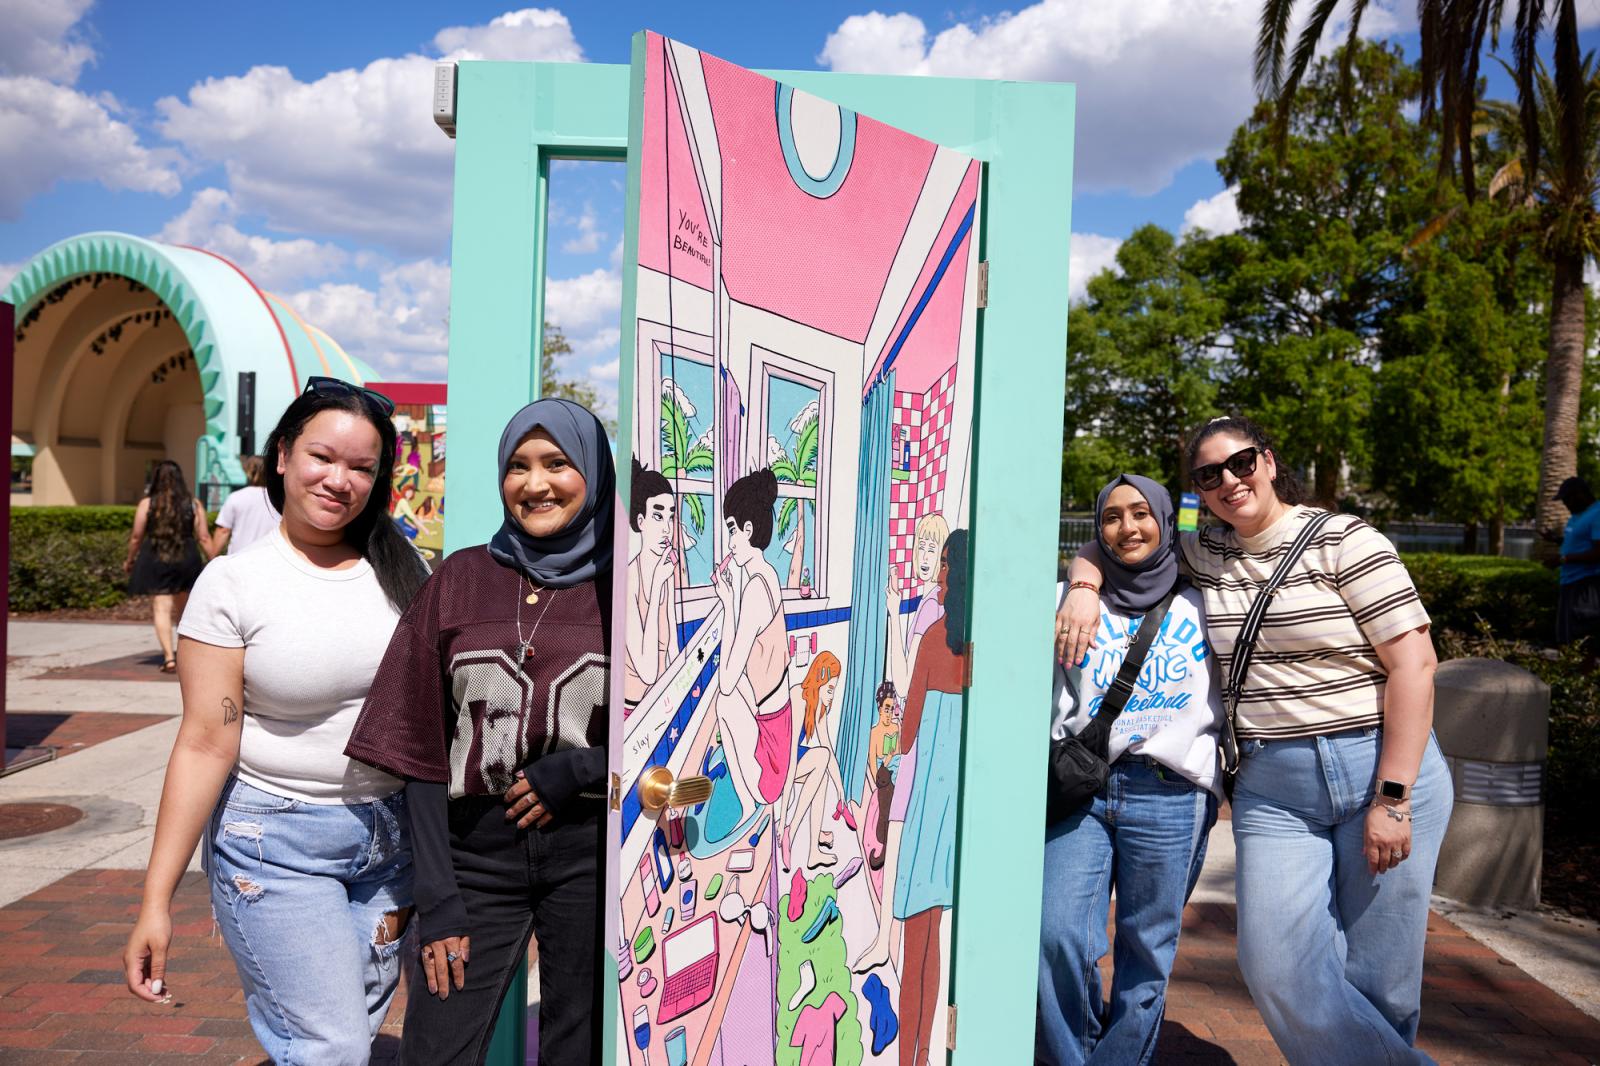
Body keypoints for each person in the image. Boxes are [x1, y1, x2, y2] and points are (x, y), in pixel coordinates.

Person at [1057, 416, 1452, 1064]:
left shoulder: (1345, 541)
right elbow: (1121, 539)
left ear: (1268, 461)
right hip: (1274, 785)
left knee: (1382, 977)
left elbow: (1415, 664)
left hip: (1378, 762)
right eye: (1209, 475)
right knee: (1274, 962)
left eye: (1240, 463)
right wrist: (1082, 585)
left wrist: (1394, 794)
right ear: (1199, 491)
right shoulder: (1203, 550)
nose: (1228, 481)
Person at [123, 377, 428, 1065]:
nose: (339, 480)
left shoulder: (404, 568)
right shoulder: (235, 583)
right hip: (275, 843)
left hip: (389, 845)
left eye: (361, 467)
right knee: (331, 1045)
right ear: (283, 456)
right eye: (322, 457)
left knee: (348, 1032)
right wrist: (156, 900)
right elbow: (204, 742)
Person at [344, 398, 613, 1066]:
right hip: (472, 858)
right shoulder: (461, 579)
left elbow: (674, 732)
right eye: (517, 466)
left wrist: (581, 768)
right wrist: (436, 898)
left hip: (590, 852)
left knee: (573, 1045)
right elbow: (419, 746)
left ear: (596, 473)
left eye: (557, 463)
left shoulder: (633, 583)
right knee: (436, 1045)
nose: (535, 482)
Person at [1036, 474, 1222, 1066]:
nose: (1127, 527)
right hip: (1085, 789)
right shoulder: (1067, 598)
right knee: (1056, 934)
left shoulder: (1208, 596)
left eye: (1142, 513)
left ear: (1166, 521)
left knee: (1146, 953)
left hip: (1172, 792)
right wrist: (1081, 581)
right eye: (1111, 517)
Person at [890, 529, 969, 1066]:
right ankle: (926, 1051)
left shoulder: (937, 635)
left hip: (933, 796)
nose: (938, 574)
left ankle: (910, 1056)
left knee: (919, 933)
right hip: (958, 795)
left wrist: (890, 761)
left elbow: (909, 724)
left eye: (946, 564)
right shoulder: (977, 641)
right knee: (936, 928)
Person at [713, 468, 798, 867]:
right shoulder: (764, 577)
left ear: (747, 529)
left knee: (722, 702)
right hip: (775, 729)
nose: (729, 541)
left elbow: (729, 679)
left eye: (731, 529)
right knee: (726, 700)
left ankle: (752, 808)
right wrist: (729, 601)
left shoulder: (756, 590)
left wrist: (731, 603)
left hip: (771, 761)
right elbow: (741, 662)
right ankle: (751, 806)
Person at [123, 459, 213, 672]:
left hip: (157, 556)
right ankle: (185, 655)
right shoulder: (193, 504)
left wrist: (129, 559)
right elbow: (203, 537)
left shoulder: (147, 504)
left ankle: (169, 657)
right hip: (187, 557)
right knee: (184, 609)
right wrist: (215, 560)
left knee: (161, 608)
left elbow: (136, 537)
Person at [781, 651, 855, 869]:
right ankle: (790, 831)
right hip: (781, 762)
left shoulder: (819, 706)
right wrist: (784, 811)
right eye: (830, 689)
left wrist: (841, 789)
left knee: (822, 771)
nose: (832, 696)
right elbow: (790, 755)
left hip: (794, 757)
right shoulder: (798, 697)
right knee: (820, 756)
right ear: (820, 679)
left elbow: (829, 749)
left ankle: (813, 851)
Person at [624, 458, 680, 716]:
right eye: (657, 516)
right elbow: (646, 671)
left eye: (670, 516)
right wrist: (657, 585)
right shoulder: (629, 580)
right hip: (631, 715)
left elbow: (672, 649)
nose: (667, 528)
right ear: (640, 520)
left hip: (657, 704)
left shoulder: (665, 572)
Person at [885, 513, 949, 697]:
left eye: (932, 549)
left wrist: (894, 614)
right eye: (921, 547)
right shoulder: (935, 598)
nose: (925, 557)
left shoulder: (931, 606)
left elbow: (904, 686)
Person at [1553, 476, 1600, 647]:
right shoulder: (1578, 515)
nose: (1565, 504)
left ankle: (1584, 674)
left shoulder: (1597, 514)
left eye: (1566, 499)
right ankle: (1572, 673)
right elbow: (1579, 543)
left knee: (1584, 639)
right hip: (1570, 582)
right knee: (1567, 638)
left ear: (1580, 495)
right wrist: (1557, 541)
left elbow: (1598, 552)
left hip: (1586, 585)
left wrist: (1564, 559)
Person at [212, 455, 279, 555]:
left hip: (238, 560)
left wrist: (213, 557)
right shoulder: (278, 499)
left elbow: (223, 531)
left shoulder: (235, 497)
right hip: (268, 559)